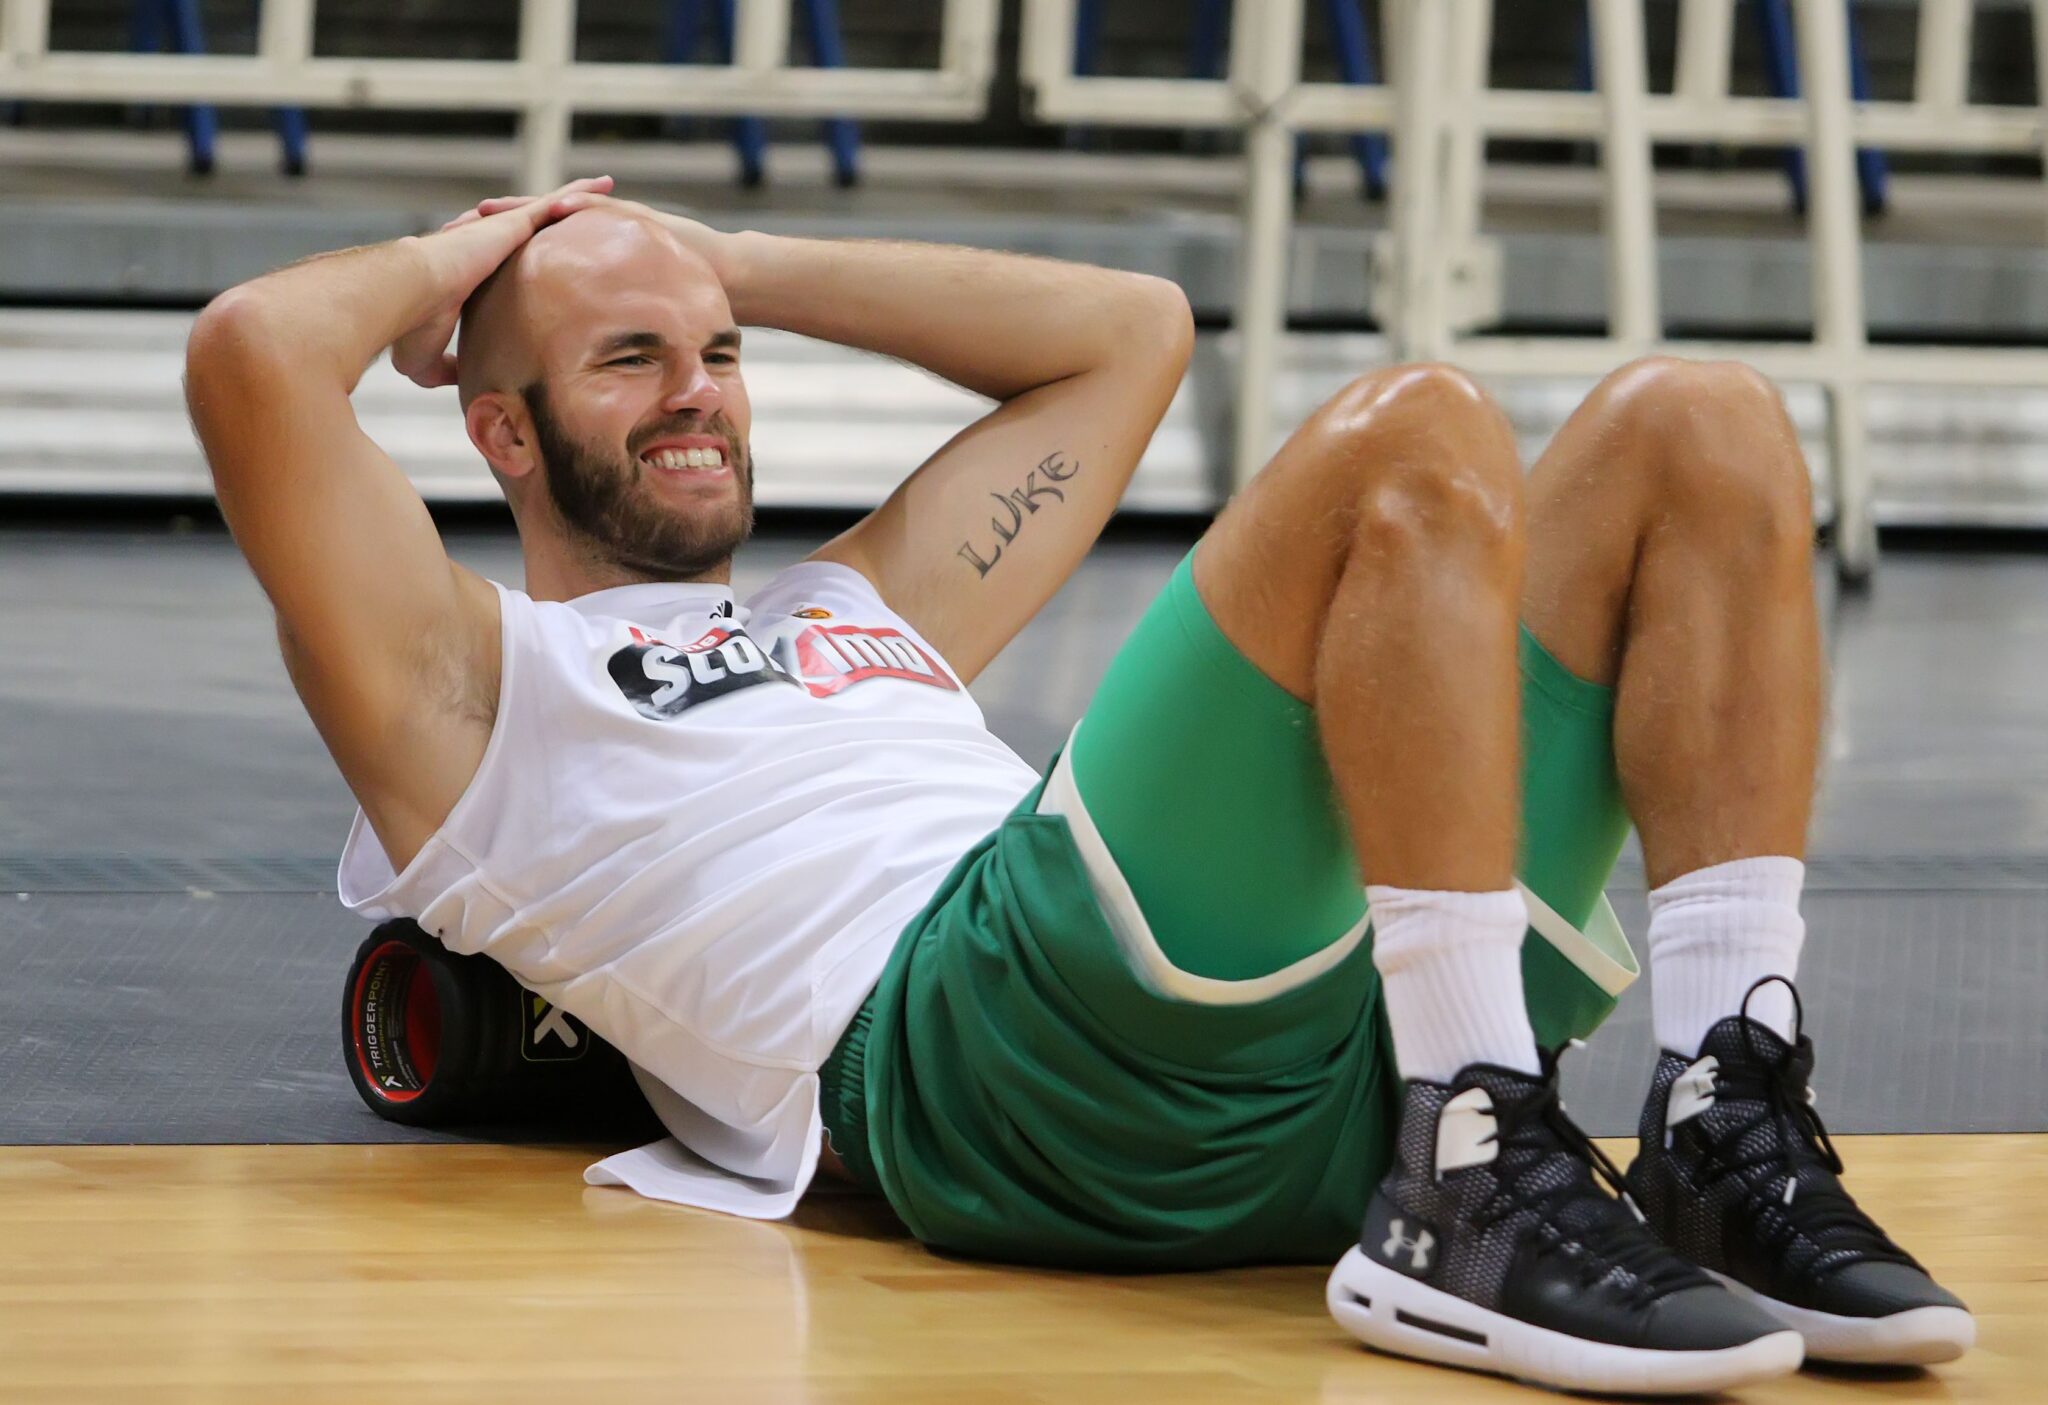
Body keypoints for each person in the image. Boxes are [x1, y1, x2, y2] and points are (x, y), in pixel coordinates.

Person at [184, 176, 1970, 1396]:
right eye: (629, 358)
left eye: (718, 354)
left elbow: (1131, 328)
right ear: (501, 427)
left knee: (1704, 424)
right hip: (979, 1049)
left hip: (1326, 1049)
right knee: (1410, 435)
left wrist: (708, 256)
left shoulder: (854, 598)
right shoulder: (475, 689)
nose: (699, 394)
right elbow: (254, 354)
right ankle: (1471, 1164)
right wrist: (486, 248)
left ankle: (1716, 1111)